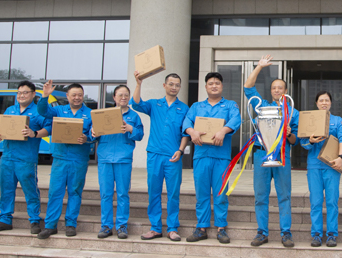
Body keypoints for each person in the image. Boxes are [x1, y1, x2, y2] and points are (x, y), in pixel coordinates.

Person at [244, 55, 298, 248]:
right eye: (274, 88)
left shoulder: (293, 112)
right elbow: (248, 88)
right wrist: (259, 67)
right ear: (271, 91)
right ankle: (262, 232)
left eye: (280, 88)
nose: (277, 90)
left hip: (282, 155)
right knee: (261, 196)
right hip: (261, 154)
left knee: (284, 196)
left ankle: (286, 233)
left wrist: (289, 133)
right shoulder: (263, 106)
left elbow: (295, 140)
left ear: (285, 91)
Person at [182, 72, 241, 244]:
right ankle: (201, 227)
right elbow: (186, 122)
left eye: (217, 83)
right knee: (202, 193)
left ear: (222, 86)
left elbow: (236, 119)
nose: (214, 86)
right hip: (201, 155)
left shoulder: (230, 105)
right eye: (210, 83)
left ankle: (221, 228)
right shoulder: (196, 106)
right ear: (205, 87)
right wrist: (191, 132)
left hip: (221, 157)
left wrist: (223, 130)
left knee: (220, 193)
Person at [131, 72, 189, 242]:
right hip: (155, 154)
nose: (174, 87)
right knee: (154, 192)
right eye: (171, 84)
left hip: (173, 156)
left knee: (173, 193)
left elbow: (186, 132)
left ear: (180, 87)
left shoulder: (184, 108)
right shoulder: (154, 104)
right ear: (164, 86)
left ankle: (172, 228)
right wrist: (138, 84)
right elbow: (135, 103)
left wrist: (181, 150)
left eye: (177, 85)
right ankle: (155, 227)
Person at [0, 81, 51, 234]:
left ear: (33, 94)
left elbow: (49, 128)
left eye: (25, 92)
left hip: (26, 159)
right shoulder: (10, 110)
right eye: (19, 93)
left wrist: (34, 133)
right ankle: (5, 219)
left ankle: (34, 220)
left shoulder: (38, 111)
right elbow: (1, 127)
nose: (21, 95)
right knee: (6, 190)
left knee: (30, 191)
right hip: (7, 157)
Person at [36, 81, 93, 239]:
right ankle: (50, 226)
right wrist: (45, 95)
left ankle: (70, 224)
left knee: (75, 191)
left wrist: (87, 138)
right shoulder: (58, 110)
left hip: (79, 159)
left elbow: (95, 134)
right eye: (74, 95)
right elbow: (42, 111)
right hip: (60, 157)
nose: (77, 98)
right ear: (67, 96)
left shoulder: (90, 114)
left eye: (80, 95)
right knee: (55, 192)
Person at [92, 85, 143, 239]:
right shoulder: (104, 114)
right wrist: (92, 132)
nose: (123, 97)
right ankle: (106, 226)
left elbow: (140, 135)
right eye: (120, 95)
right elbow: (92, 134)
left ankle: (121, 226)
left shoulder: (134, 116)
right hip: (105, 158)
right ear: (114, 97)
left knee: (122, 194)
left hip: (123, 158)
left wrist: (130, 128)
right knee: (106, 194)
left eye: (126, 95)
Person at [300, 91, 342, 248]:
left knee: (332, 201)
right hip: (314, 165)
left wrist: (341, 157)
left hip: (331, 166)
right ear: (316, 103)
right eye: (321, 100)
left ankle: (332, 234)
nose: (324, 103)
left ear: (331, 103)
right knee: (316, 201)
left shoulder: (337, 120)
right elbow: (303, 143)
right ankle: (316, 234)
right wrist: (310, 141)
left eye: (327, 100)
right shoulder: (310, 119)